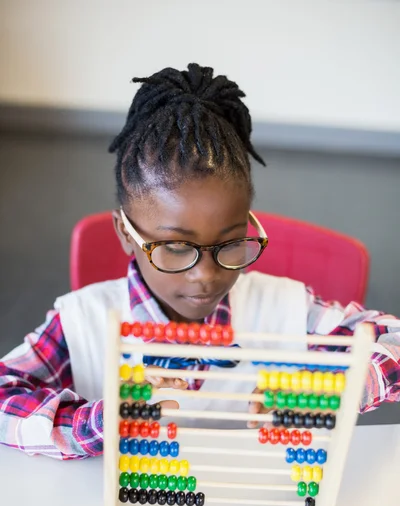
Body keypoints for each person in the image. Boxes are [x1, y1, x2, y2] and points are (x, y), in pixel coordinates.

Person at [0, 63, 399, 460]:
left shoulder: (284, 311)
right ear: (126, 233)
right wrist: (97, 424)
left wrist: (338, 386)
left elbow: (392, 340)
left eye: (231, 243)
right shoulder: (82, 324)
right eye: (175, 247)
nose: (206, 275)